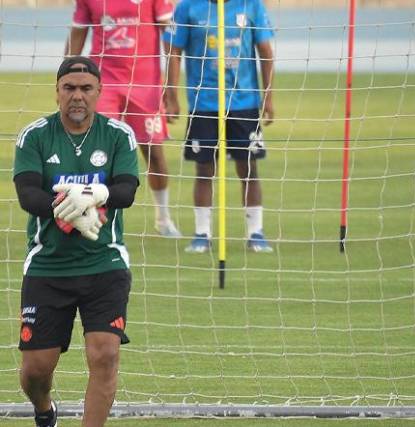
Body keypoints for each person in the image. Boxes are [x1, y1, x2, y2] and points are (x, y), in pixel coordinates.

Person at [13, 56, 140, 427]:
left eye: (86, 88)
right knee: (36, 370)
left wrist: (96, 194)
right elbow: (27, 195)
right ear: (57, 93)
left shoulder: (118, 135)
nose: (77, 96)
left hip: (105, 264)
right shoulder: (34, 136)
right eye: (69, 88)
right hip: (48, 266)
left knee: (104, 356)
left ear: (99, 92)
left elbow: (127, 191)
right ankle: (43, 409)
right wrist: (68, 206)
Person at [164, 0, 275, 253]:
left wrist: (268, 97)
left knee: (248, 167)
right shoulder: (187, 7)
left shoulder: (252, 5)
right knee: (204, 168)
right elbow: (173, 51)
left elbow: (266, 51)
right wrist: (171, 95)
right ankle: (202, 234)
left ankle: (255, 232)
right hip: (203, 102)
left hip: (244, 102)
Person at [66, 0, 181, 237]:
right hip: (103, 85)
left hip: (145, 86)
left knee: (154, 154)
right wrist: (65, 80)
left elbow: (170, 41)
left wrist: (170, 91)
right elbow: (77, 34)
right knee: (97, 153)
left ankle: (164, 218)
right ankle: (93, 217)